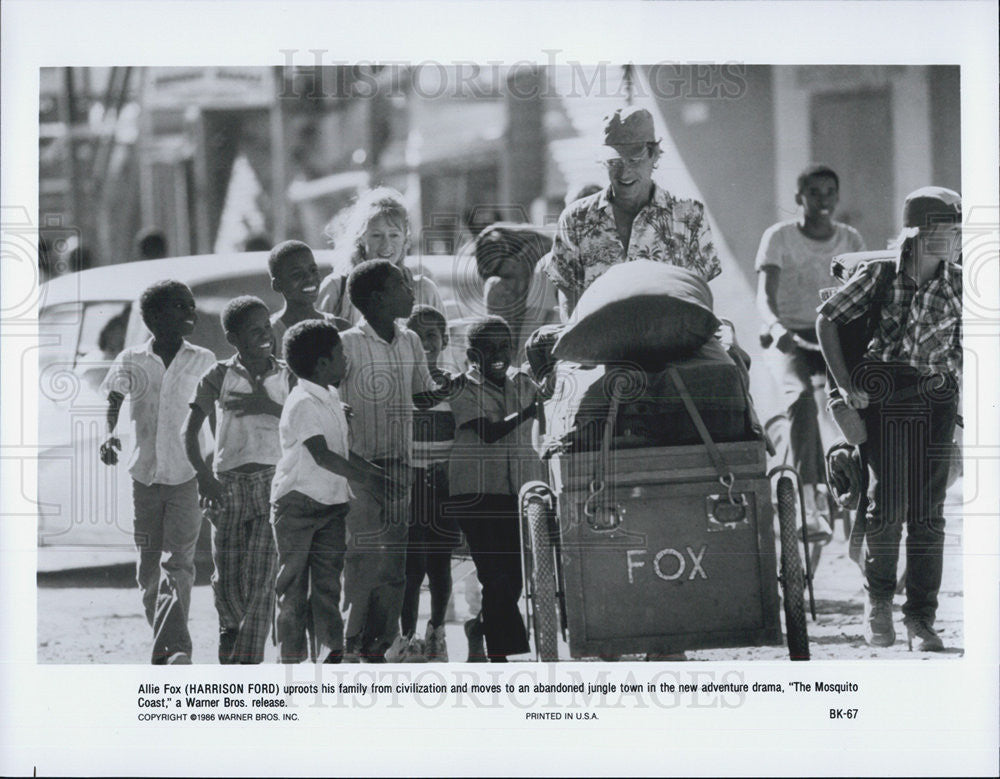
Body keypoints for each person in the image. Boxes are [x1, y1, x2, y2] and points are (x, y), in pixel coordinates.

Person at [817, 186, 962, 652]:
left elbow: (964, 351)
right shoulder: (879, 274)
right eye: (949, 230)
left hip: (938, 401)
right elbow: (827, 320)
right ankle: (877, 602)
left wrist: (960, 420)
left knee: (930, 516)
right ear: (920, 233)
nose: (957, 240)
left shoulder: (960, 282)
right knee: (887, 506)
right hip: (888, 399)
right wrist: (844, 384)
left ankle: (921, 619)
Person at [337, 259, 454, 662]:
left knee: (395, 567)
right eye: (401, 286)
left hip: (402, 467)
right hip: (361, 470)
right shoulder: (348, 344)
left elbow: (420, 397)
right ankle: (350, 643)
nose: (410, 291)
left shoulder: (409, 342)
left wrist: (442, 390)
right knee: (363, 561)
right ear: (376, 300)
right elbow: (331, 396)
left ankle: (380, 646)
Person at [99, 280, 215, 664]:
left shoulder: (204, 360)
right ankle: (169, 641)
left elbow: (218, 414)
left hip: (187, 475)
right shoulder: (131, 359)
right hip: (145, 477)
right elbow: (114, 400)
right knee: (148, 567)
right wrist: (110, 435)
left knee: (179, 561)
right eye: (181, 307)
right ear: (153, 318)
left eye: (192, 305)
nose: (191, 314)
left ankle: (174, 648)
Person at [269, 319, 398, 663]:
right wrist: (367, 480)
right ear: (323, 363)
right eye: (341, 353)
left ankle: (331, 651)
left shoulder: (331, 397)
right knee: (293, 586)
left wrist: (374, 472)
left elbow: (339, 452)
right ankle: (292, 659)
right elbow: (322, 455)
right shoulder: (302, 404)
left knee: (327, 582)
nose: (347, 359)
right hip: (297, 505)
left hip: (331, 505)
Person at [755, 164, 866, 538]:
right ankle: (810, 497)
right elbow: (764, 297)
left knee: (864, 394)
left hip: (833, 334)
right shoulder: (779, 237)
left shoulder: (850, 239)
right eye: (814, 193)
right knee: (801, 398)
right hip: (791, 336)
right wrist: (775, 327)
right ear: (798, 198)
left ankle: (865, 481)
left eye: (830, 192)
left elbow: (863, 295)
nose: (823, 200)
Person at [182, 296, 291, 664]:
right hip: (226, 485)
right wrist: (203, 477)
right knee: (227, 582)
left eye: (267, 328)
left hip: (273, 484)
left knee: (263, 577)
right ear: (233, 338)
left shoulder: (287, 374)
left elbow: (301, 414)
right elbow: (190, 430)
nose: (265, 336)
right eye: (254, 330)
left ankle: (248, 661)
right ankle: (231, 633)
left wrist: (267, 407)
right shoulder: (218, 376)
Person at [544, 107, 721, 319]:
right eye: (614, 162)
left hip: (670, 345)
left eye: (634, 160)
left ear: (654, 156)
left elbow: (698, 295)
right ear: (603, 161)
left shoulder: (689, 215)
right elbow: (568, 298)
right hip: (597, 346)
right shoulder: (575, 219)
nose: (624, 172)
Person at [448, 316, 540, 662]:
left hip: (515, 493)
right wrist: (530, 411)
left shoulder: (523, 382)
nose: (500, 354)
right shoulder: (462, 387)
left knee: (513, 579)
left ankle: (481, 628)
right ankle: (507, 657)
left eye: (505, 347)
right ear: (473, 355)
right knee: (494, 575)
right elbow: (488, 432)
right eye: (489, 349)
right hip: (475, 493)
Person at [391, 305, 461, 662]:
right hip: (411, 485)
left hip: (442, 486)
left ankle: (437, 633)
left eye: (433, 336)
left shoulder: (455, 384)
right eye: (418, 337)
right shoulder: (402, 382)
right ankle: (406, 637)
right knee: (412, 565)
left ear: (445, 339)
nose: (427, 344)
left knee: (440, 563)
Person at [316, 187, 444, 325]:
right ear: (361, 238)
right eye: (377, 235)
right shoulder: (336, 289)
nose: (386, 244)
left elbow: (442, 343)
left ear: (405, 239)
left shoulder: (424, 291)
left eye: (394, 235)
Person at [268, 240, 350, 358]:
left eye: (313, 270)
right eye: (296, 274)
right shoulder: (270, 335)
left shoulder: (341, 328)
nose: (309, 278)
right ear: (277, 285)